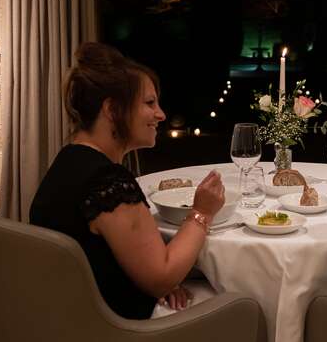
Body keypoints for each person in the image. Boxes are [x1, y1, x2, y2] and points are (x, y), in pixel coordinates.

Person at [30, 42, 225, 320]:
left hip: (69, 318)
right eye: (149, 103)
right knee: (241, 302)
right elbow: (162, 276)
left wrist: (152, 278)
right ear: (112, 110)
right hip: (114, 331)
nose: (161, 114)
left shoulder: (70, 161)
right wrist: (202, 212)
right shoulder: (107, 183)